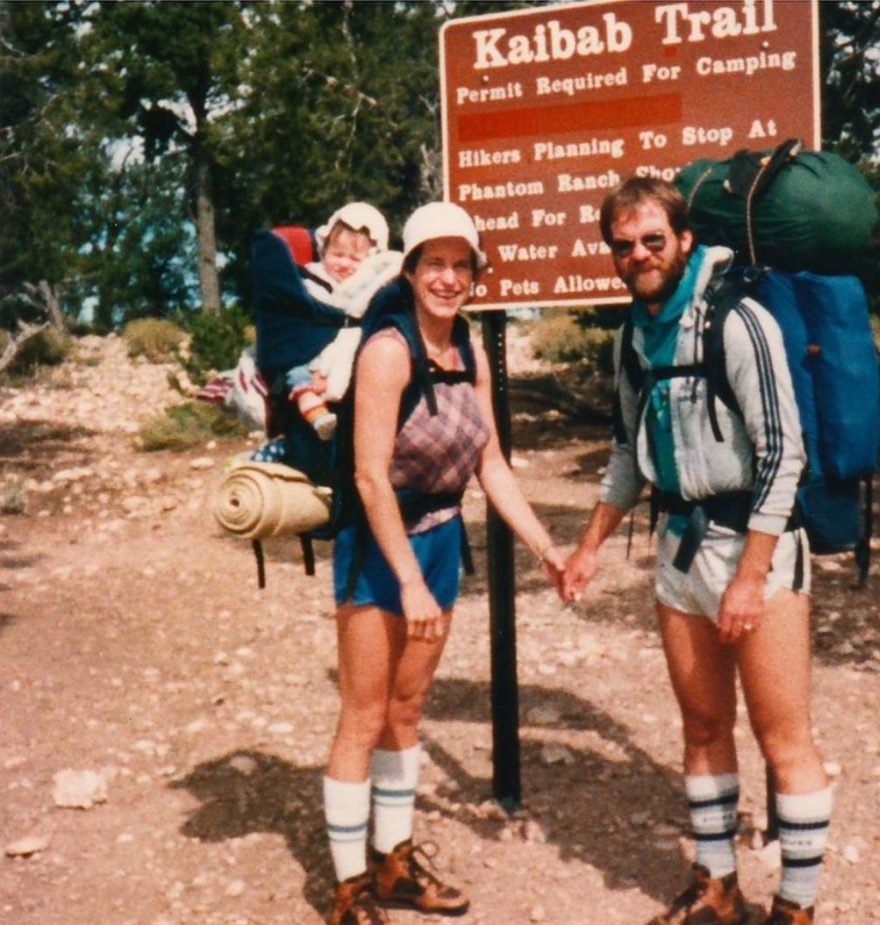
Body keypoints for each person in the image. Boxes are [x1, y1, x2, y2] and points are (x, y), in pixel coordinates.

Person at [560, 177, 833, 925]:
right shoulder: (632, 338)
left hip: (757, 549)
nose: (639, 256)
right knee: (704, 726)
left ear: (684, 240)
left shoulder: (737, 322)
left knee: (783, 735)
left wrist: (750, 576)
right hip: (679, 550)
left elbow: (785, 454)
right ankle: (717, 885)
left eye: (653, 240)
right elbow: (626, 453)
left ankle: (798, 907)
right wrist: (587, 548)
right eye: (624, 246)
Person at [323, 201, 567, 925]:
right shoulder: (388, 352)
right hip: (380, 546)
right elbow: (369, 477)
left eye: (463, 265)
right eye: (435, 262)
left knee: (407, 710)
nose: (449, 278)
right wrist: (404, 579)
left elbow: (490, 461)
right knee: (364, 716)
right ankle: (349, 889)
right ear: (409, 268)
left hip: (437, 541)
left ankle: (394, 860)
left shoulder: (470, 352)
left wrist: (546, 548)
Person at [289, 202, 403, 440]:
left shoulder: (370, 286)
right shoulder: (311, 278)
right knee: (293, 365)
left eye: (354, 258)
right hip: (308, 348)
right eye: (337, 255)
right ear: (323, 251)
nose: (343, 264)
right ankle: (309, 402)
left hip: (343, 353)